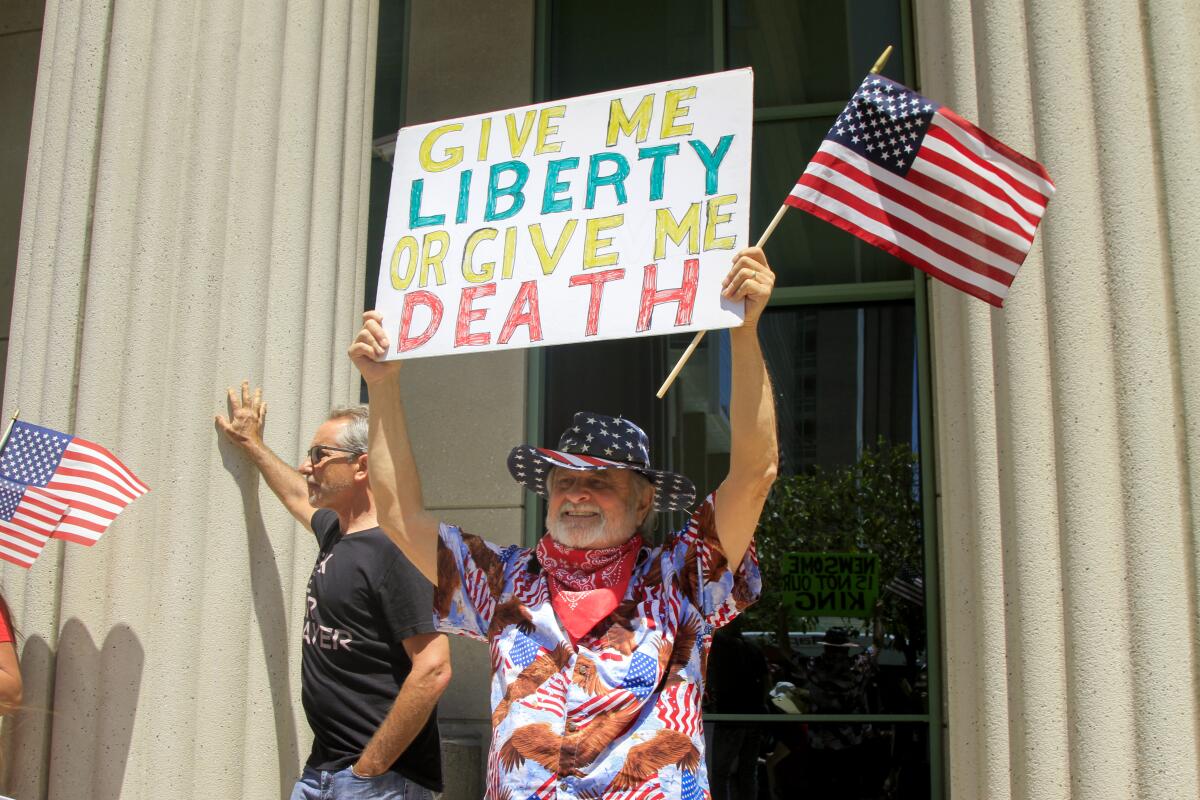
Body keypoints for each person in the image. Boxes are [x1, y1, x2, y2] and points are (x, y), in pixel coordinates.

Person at [349, 247, 778, 798]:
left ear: (644, 503)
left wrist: (744, 332)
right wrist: (382, 387)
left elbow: (755, 473)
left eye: (601, 481)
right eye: (563, 480)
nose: (577, 493)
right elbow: (399, 513)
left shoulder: (683, 575)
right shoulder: (502, 578)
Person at [217, 388, 449, 799]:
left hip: (379, 782)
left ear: (362, 467)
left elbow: (433, 669)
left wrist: (368, 771)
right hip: (324, 773)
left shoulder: (397, 550)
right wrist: (252, 443)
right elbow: (294, 494)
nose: (308, 467)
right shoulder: (337, 533)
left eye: (320, 455)